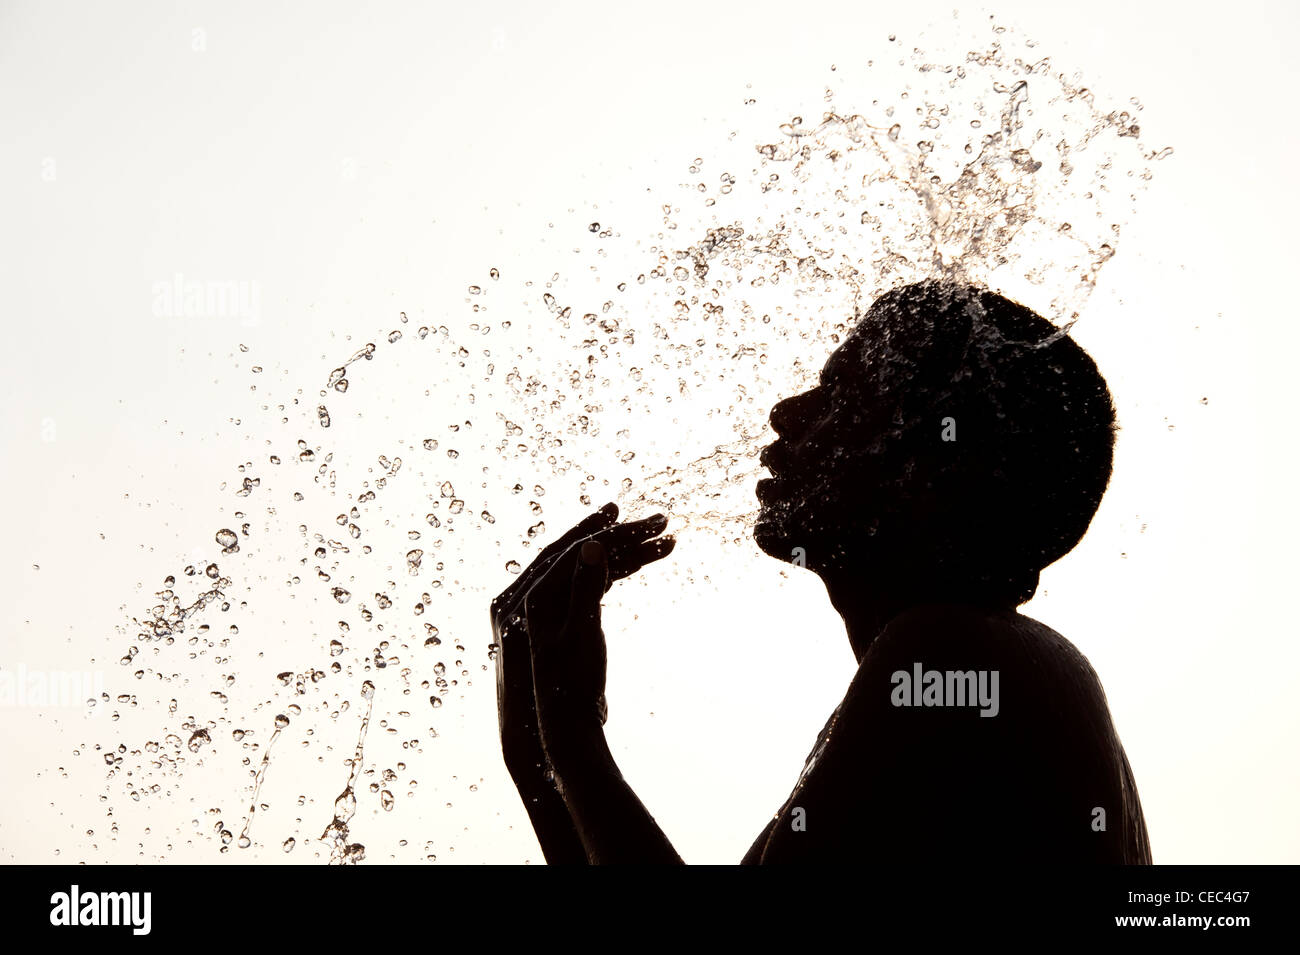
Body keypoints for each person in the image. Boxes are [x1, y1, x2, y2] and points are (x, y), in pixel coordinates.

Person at [491, 278, 1152, 864]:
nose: (787, 413)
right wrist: (539, 753)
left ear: (933, 472)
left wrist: (572, 733)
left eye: (844, 394)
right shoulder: (981, 672)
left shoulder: (953, 657)